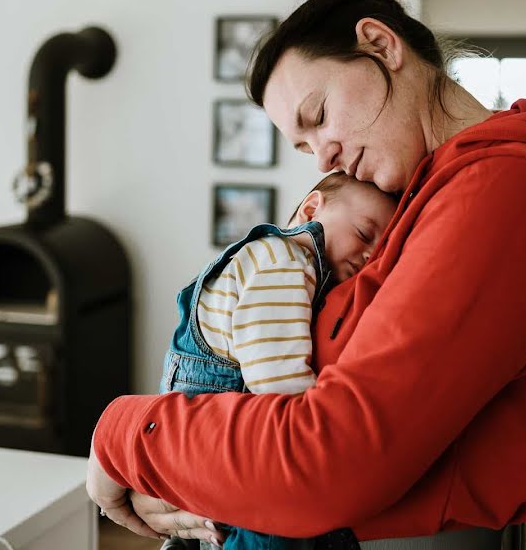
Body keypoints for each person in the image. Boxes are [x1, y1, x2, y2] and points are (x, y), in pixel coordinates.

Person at [87, 0, 526, 549]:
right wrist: (193, 473)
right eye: (304, 148)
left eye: (318, 115)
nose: (323, 155)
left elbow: (331, 459)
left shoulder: (504, 191)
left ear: (379, 44)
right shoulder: (425, 200)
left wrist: (128, 435)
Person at [159, 172, 397, 550]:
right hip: (225, 424)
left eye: (381, 252)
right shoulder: (284, 260)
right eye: (365, 234)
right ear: (311, 209)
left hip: (200, 428)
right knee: (277, 522)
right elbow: (274, 372)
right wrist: (320, 428)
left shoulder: (270, 258)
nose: (371, 255)